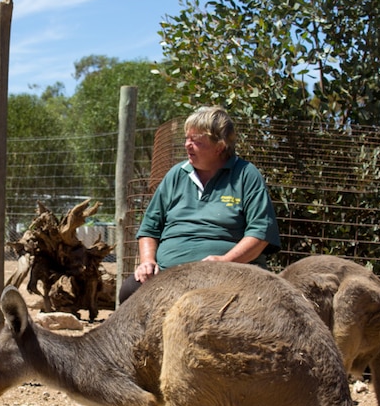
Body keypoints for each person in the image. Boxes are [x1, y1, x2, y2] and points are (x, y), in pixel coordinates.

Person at [119, 106, 281, 303]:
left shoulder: (246, 175)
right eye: (186, 138)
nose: (187, 145)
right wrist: (147, 261)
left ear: (220, 146)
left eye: (195, 141)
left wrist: (225, 262)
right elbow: (149, 229)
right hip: (168, 274)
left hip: (227, 276)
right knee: (129, 291)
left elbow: (260, 234)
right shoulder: (176, 174)